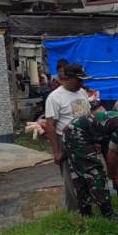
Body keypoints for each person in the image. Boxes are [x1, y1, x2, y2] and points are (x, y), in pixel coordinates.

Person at [63, 110, 118, 220]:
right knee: (95, 172)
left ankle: (85, 213)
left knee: (82, 173)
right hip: (77, 133)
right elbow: (112, 154)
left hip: (74, 131)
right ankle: (107, 213)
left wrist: (115, 175)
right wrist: (116, 176)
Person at [44, 64, 92, 212]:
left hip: (85, 141)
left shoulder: (82, 92)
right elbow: (50, 125)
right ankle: (74, 211)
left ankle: (88, 205)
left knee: (88, 175)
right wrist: (56, 152)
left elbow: (88, 116)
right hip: (66, 143)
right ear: (68, 78)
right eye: (79, 80)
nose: (82, 83)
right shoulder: (54, 97)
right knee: (71, 179)